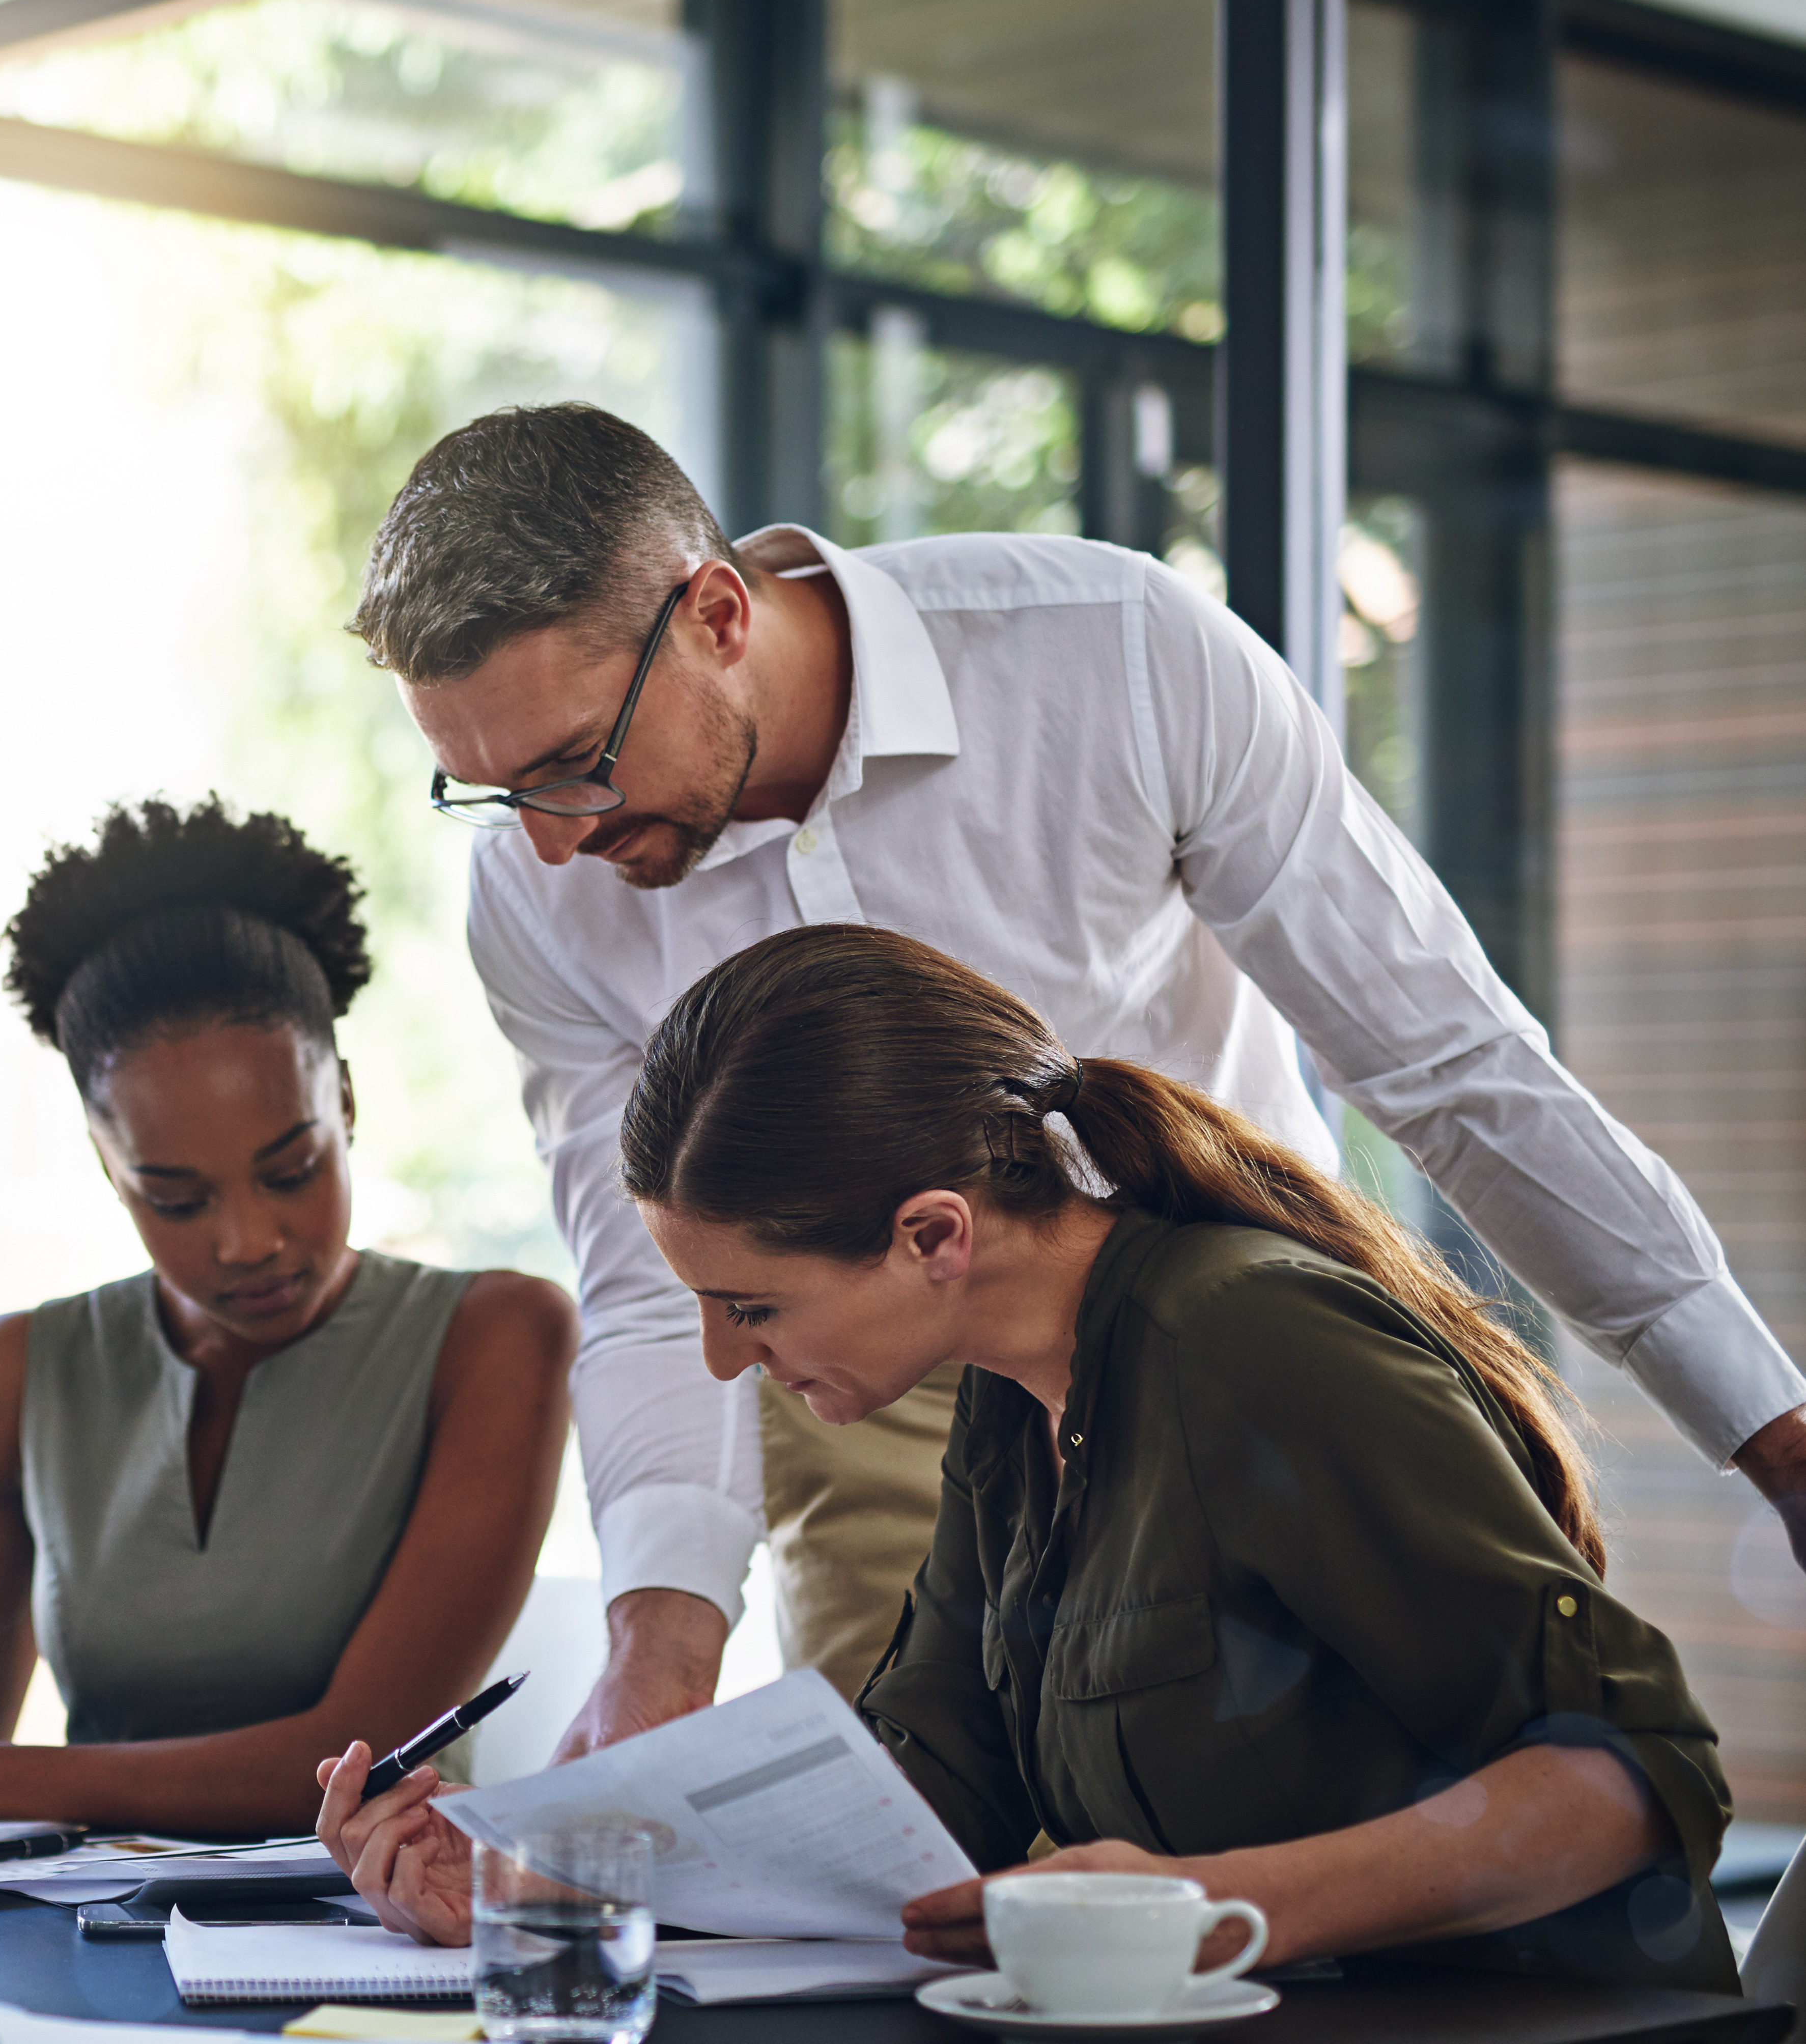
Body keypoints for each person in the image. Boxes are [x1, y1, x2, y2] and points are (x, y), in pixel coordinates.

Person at [348, 401, 1806, 1755]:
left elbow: (1445, 1061)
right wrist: (656, 1654)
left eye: (570, 764)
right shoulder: (537, 888)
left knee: (1306, 1826)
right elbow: (654, 1287)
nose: (545, 841)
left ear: (718, 614)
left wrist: (1772, 1433)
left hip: (1220, 1332)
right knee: (893, 1880)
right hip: (857, 1377)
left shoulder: (1112, 657)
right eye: (489, 790)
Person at [318, 923, 1732, 1994]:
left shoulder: (1249, 1343)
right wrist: (550, 1879)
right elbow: (922, 1801)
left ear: (934, 1235)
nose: (721, 1361)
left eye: (749, 1306)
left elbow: (1629, 1776)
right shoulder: (1009, 1400)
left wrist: (1214, 1905)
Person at [0, 800, 574, 1835]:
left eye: (290, 1169)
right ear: (106, 1163)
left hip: (372, 1940)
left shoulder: (495, 1335)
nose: (246, 1240)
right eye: (175, 1197)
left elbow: (351, 1756)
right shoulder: (19, 1368)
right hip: (75, 1929)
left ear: (347, 1102)